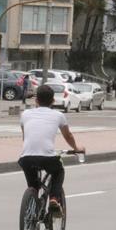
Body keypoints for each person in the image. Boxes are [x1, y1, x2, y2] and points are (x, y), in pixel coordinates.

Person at [19, 85, 85, 217]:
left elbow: (25, 136)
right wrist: (76, 148)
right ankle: (54, 199)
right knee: (59, 171)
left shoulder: (25, 114)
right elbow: (68, 136)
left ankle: (31, 218)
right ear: (53, 101)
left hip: (26, 157)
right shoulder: (58, 115)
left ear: (36, 100)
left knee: (33, 185)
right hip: (47, 157)